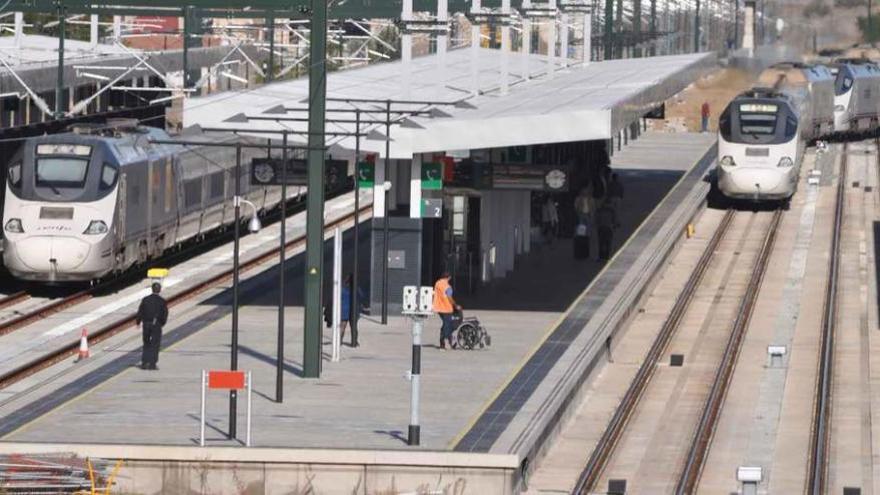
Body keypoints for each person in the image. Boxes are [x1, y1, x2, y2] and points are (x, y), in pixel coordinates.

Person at [136, 282, 168, 370]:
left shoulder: (145, 299)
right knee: (155, 344)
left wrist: (138, 322)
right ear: (160, 290)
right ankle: (152, 364)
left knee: (146, 343)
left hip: (146, 324)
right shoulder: (162, 301)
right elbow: (164, 314)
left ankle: (144, 362)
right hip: (156, 324)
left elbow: (140, 311)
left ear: (152, 289)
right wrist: (161, 323)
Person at [433, 271, 461, 350]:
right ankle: (446, 341)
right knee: (448, 325)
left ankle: (446, 341)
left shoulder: (437, 283)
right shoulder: (447, 286)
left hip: (438, 308)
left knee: (446, 324)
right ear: (449, 277)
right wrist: (455, 305)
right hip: (446, 308)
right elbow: (449, 297)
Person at [339, 274, 366, 347]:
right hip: (353, 310)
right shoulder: (356, 288)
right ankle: (354, 342)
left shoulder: (342, 288)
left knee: (342, 326)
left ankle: (339, 341)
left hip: (344, 310)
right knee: (354, 327)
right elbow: (361, 296)